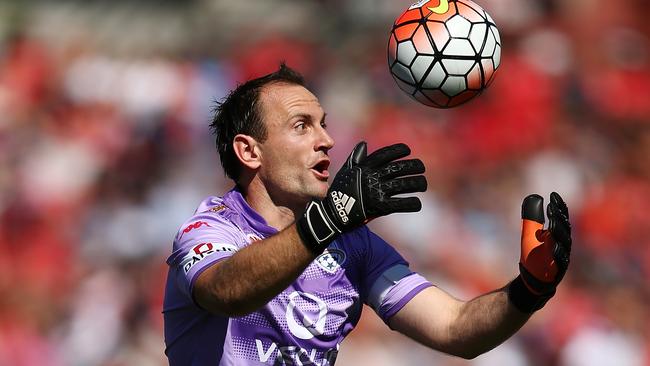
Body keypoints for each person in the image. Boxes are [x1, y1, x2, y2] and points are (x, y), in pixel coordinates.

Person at [162, 64, 572, 365]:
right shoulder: (209, 228)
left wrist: (529, 290)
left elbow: (456, 328)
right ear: (249, 151)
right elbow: (227, 293)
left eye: (323, 124)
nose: (327, 140)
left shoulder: (351, 245)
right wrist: (328, 220)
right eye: (301, 126)